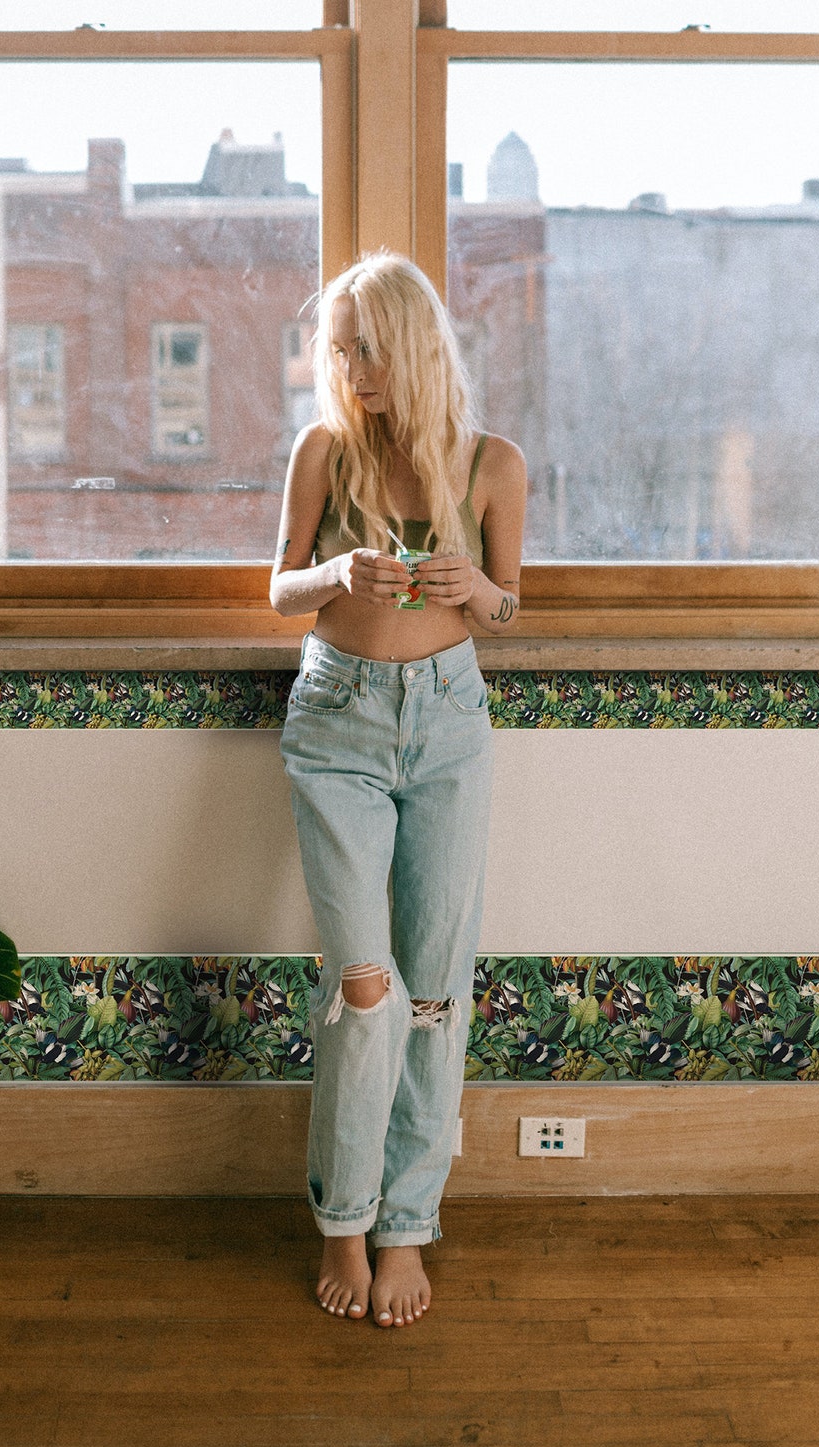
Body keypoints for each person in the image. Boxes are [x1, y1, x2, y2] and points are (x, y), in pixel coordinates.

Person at [270, 252, 526, 1330]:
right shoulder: (323, 452)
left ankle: (408, 1225)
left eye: (367, 344)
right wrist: (334, 576)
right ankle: (343, 1216)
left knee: (431, 989)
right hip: (337, 724)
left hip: (449, 727)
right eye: (339, 344)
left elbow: (511, 610)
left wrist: (478, 588)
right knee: (365, 986)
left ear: (415, 345)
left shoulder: (491, 464)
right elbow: (277, 589)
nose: (351, 365)